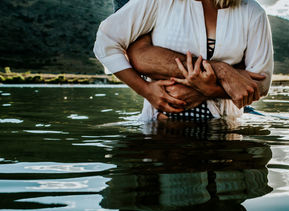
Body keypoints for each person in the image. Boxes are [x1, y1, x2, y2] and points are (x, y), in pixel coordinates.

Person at [94, 0, 273, 121]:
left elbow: (261, 83)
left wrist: (210, 91)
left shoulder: (252, 12)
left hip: (227, 129)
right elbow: (107, 41)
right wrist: (146, 90)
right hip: (160, 128)